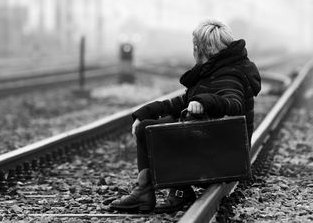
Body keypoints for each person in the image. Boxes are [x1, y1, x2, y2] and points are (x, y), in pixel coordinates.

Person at [109, 19, 261, 213]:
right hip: (218, 151)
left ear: (200, 48)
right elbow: (184, 101)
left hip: (225, 159)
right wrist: (146, 111)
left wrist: (204, 102)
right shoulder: (215, 70)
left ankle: (178, 190)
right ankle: (144, 191)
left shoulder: (229, 75)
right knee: (146, 127)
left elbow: (234, 103)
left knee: (178, 126)